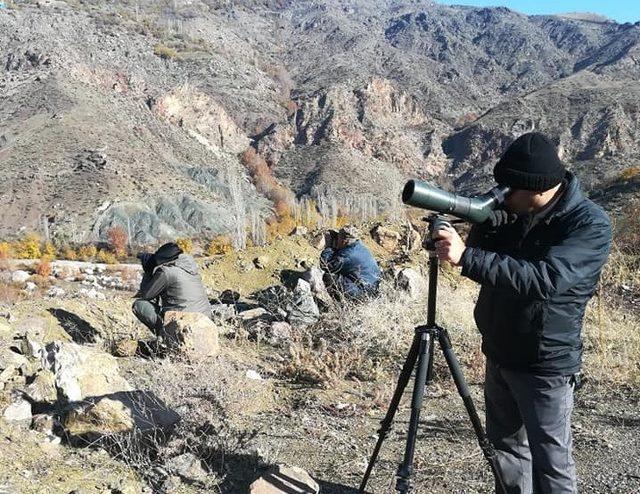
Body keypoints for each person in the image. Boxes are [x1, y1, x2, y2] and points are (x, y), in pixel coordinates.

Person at [433, 132, 611, 494]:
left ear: (538, 189)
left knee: (552, 464)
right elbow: (494, 258)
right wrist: (475, 228)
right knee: (507, 454)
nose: (503, 194)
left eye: (510, 188)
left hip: (544, 363)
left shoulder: (589, 225)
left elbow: (546, 279)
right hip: (500, 350)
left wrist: (467, 257)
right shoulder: (519, 212)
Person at [132, 242, 211, 334]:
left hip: (183, 325)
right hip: (206, 322)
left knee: (139, 305)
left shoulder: (167, 272)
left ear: (162, 259)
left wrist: (148, 271)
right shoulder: (189, 268)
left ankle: (165, 336)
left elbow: (145, 295)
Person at [320, 226, 381, 301]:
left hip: (364, 293)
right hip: (372, 289)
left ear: (344, 241)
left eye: (338, 238)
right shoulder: (359, 246)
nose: (336, 240)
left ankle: (342, 307)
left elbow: (326, 265)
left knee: (329, 277)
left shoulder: (348, 254)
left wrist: (328, 247)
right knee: (339, 273)